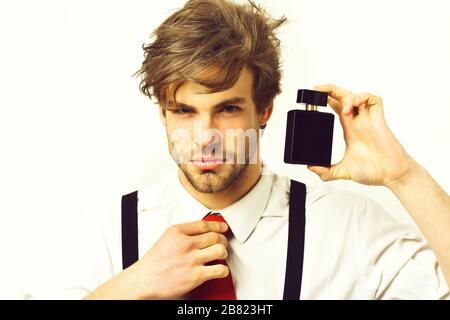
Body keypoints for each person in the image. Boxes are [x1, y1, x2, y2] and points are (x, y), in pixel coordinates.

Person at [31, 0, 450, 299]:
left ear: (264, 109)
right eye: (184, 110)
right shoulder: (107, 233)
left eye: (227, 109)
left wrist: (404, 176)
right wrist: (131, 288)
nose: (205, 135)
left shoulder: (346, 228)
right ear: (162, 113)